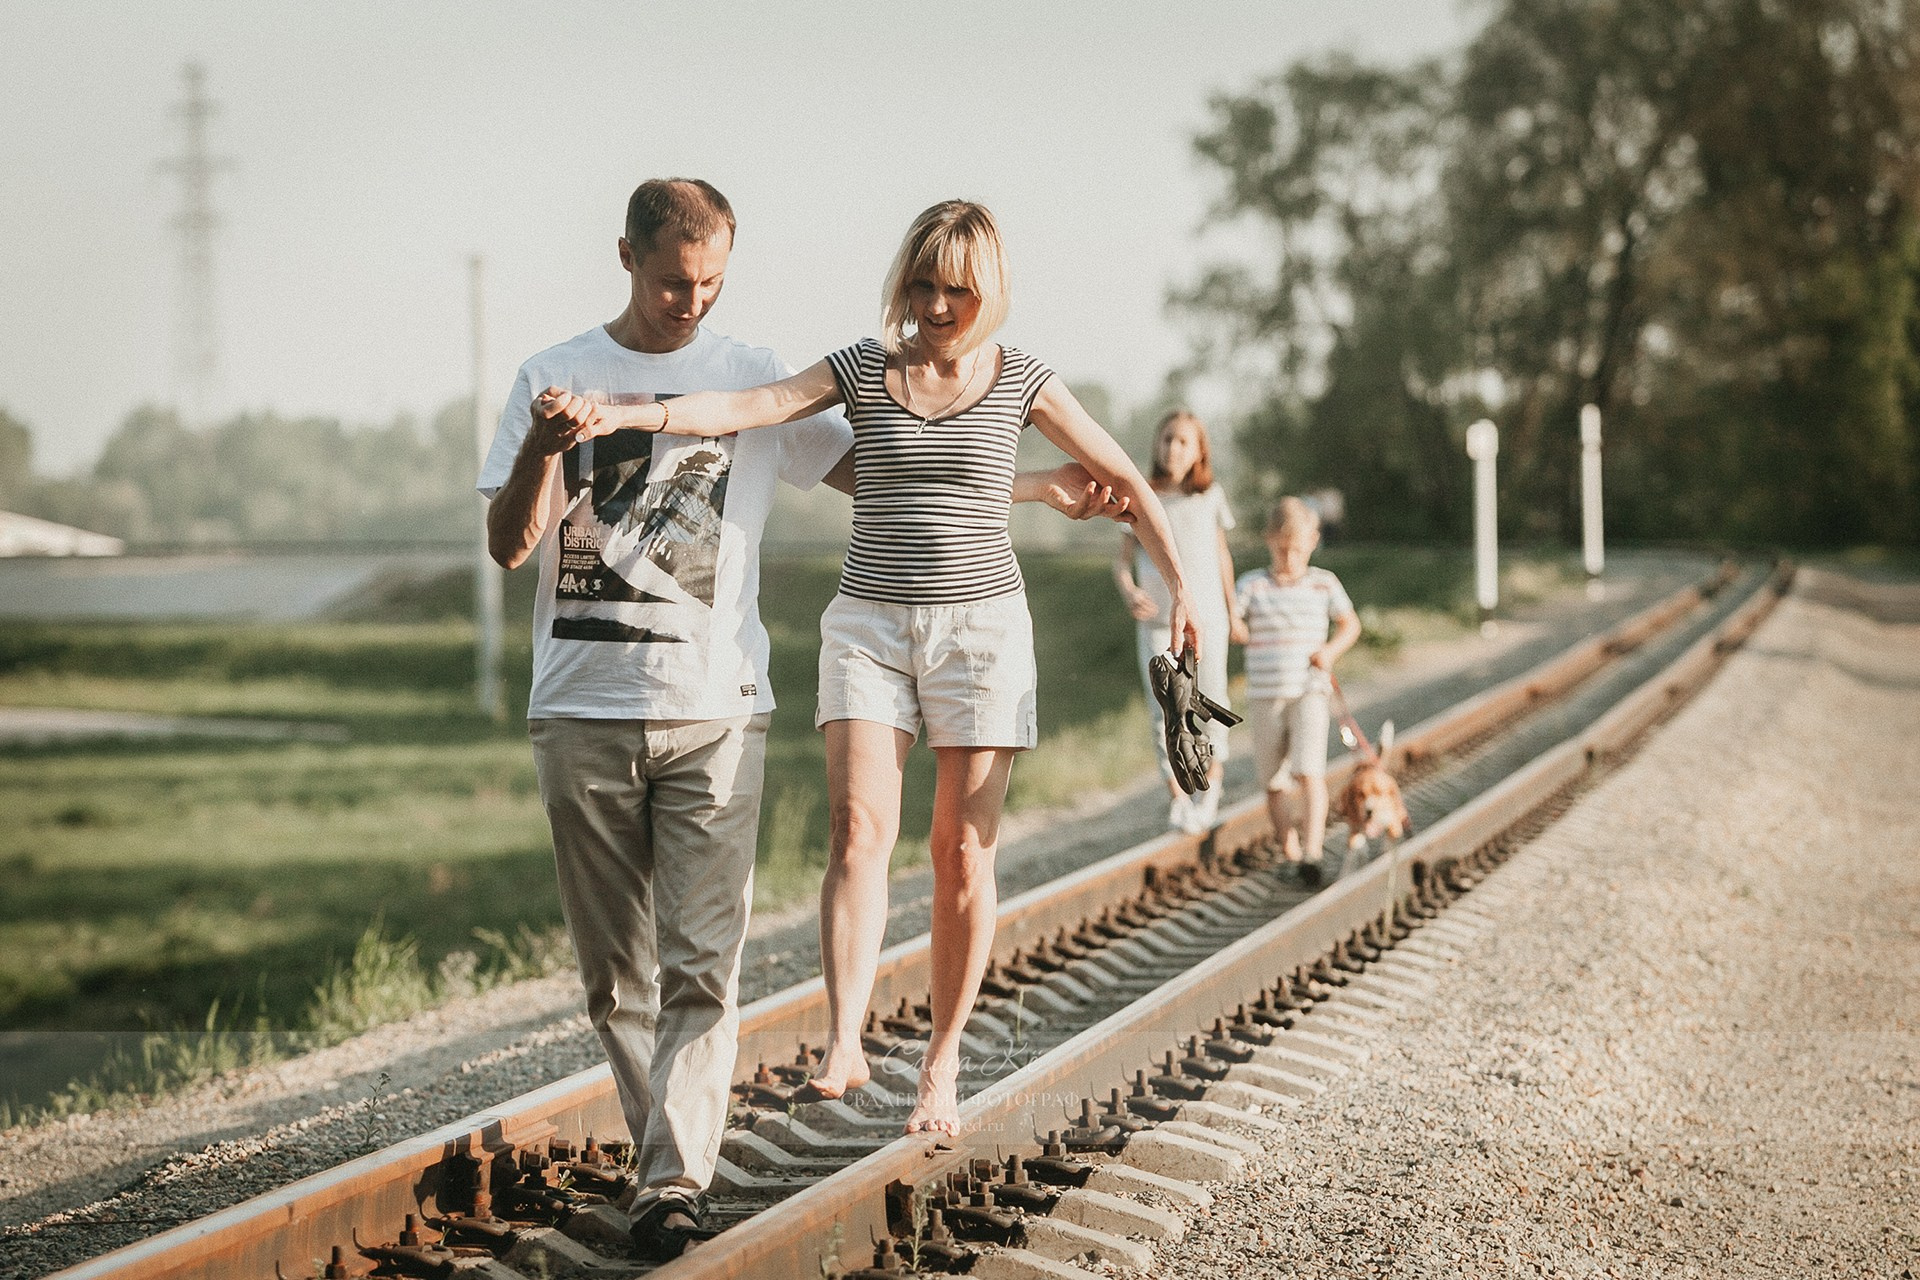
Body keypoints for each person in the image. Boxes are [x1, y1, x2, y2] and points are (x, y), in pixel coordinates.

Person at [479, 180, 1127, 1259]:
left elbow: (903, 473)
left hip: (718, 709)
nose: (691, 301)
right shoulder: (551, 375)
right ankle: (665, 1153)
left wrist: (1038, 486)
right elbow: (508, 546)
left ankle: (673, 1181)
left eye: (711, 281)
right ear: (627, 259)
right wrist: (546, 449)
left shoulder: (745, 372)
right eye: (672, 280)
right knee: (614, 978)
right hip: (580, 710)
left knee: (700, 964)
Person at [1113, 410, 1244, 833]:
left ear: (1199, 452)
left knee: (1208, 701)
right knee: (1164, 712)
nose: (1173, 448)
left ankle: (1209, 792)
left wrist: (1234, 610)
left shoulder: (1209, 497)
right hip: (1156, 624)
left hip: (1207, 620)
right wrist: (1130, 590)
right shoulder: (1141, 495)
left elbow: (1222, 557)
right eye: (1167, 438)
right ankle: (1178, 798)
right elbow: (1122, 562)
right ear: (1157, 444)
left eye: (1184, 441)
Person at [1235, 497, 1361, 886]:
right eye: (1282, 548)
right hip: (1265, 695)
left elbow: (1350, 625)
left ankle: (1312, 851)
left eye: (1297, 548)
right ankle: (1289, 847)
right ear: (1269, 541)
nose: (1289, 556)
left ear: (1312, 542)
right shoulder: (1252, 585)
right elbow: (1235, 626)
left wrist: (1329, 651)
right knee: (1273, 780)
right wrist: (1232, 627)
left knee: (1310, 771)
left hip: (1309, 691)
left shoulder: (1324, 583)